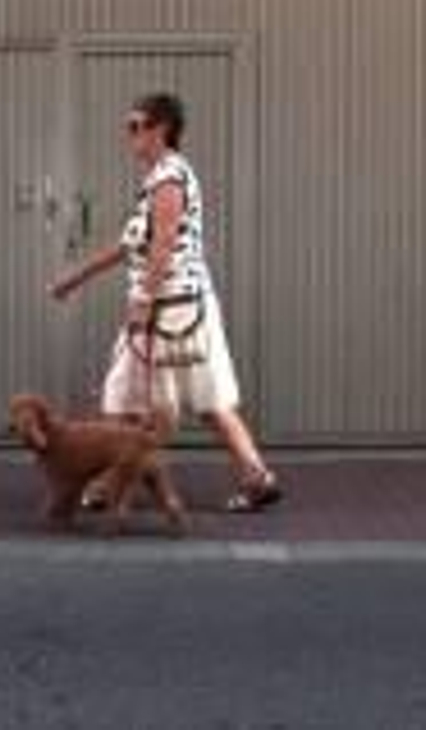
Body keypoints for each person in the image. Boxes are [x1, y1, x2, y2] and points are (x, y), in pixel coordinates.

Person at [48, 92, 283, 513]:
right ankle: (256, 477)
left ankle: (106, 483)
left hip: (171, 310)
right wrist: (75, 278)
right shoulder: (160, 178)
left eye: (136, 126)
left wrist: (144, 300)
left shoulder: (169, 179)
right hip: (183, 307)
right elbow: (129, 245)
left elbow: (164, 245)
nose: (129, 135)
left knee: (122, 396)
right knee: (207, 400)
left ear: (161, 129)